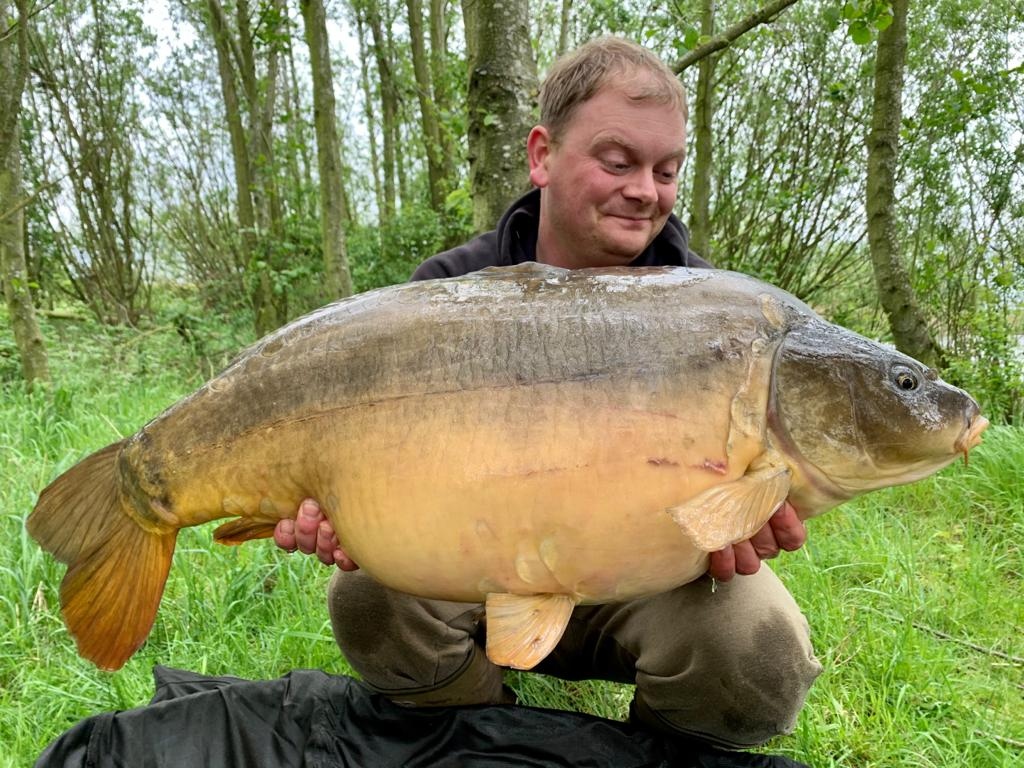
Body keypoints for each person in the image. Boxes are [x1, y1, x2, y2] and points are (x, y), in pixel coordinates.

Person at [274, 36, 821, 750]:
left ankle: (649, 754)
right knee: (369, 599)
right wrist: (342, 510)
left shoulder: (712, 321)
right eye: (618, 162)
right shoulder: (448, 292)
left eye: (667, 170)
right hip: (474, 564)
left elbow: (734, 504)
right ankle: (482, 735)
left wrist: (749, 517)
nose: (645, 191)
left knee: (761, 655)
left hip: (646, 578)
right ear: (541, 155)